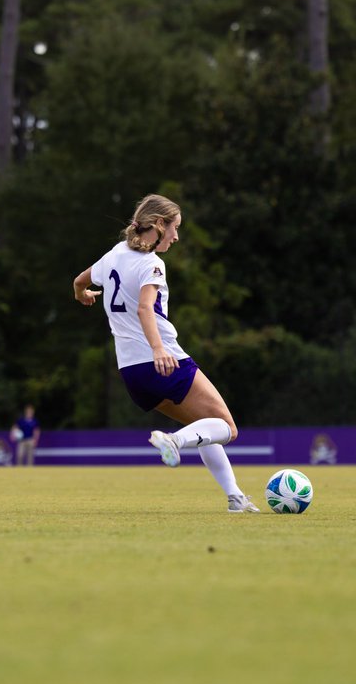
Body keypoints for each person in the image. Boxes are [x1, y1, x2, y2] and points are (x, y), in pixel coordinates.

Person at [72, 194, 260, 513]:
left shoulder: (115, 254)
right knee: (227, 428)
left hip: (132, 373)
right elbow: (146, 307)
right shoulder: (152, 263)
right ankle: (174, 442)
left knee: (203, 427)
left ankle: (235, 497)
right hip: (164, 362)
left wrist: (83, 295)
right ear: (159, 224)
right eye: (174, 228)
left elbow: (78, 281)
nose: (176, 236)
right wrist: (159, 349)